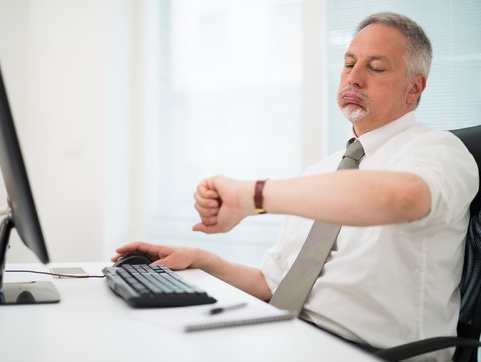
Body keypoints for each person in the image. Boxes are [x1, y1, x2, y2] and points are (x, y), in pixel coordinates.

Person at [112, 12, 478, 360]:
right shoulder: (321, 172)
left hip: (371, 351)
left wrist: (252, 196)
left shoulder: (438, 150)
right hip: (290, 335)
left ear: (415, 88)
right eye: (349, 63)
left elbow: (402, 197)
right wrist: (204, 261)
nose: (353, 78)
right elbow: (273, 285)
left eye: (376, 67)